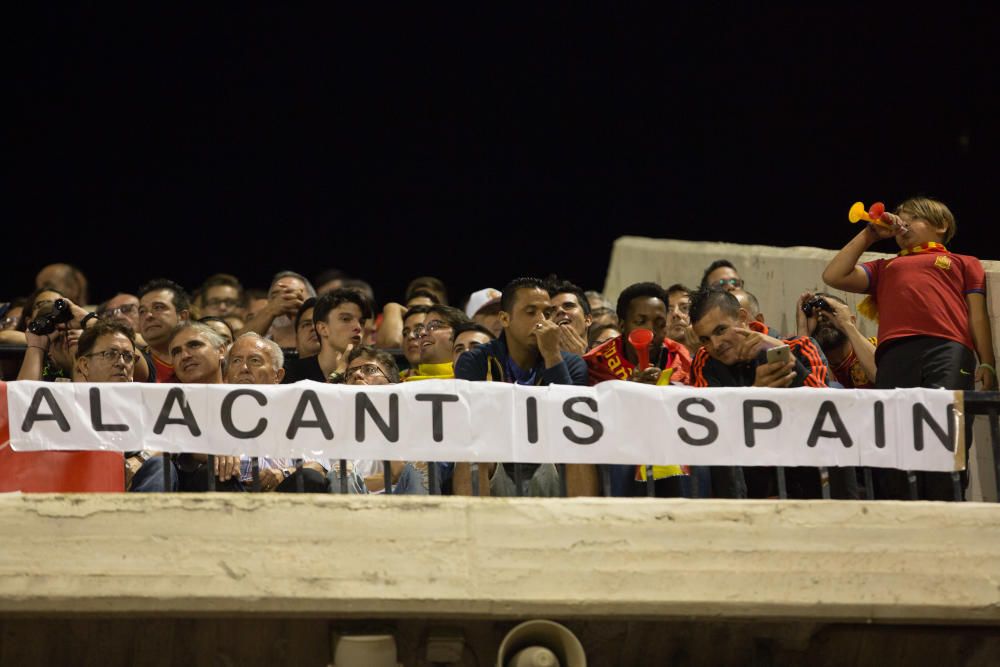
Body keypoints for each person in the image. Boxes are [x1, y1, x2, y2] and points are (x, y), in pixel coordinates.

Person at [822, 196, 995, 500]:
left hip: (947, 349)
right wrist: (870, 235)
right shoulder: (885, 266)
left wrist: (988, 363)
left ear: (941, 226)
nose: (902, 223)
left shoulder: (964, 263)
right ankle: (904, 512)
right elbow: (833, 275)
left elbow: (977, 315)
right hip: (895, 355)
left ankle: (948, 509)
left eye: (912, 218)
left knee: (945, 434)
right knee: (897, 437)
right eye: (899, 217)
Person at [689, 288, 855, 500]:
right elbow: (711, 425)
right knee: (719, 443)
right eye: (705, 339)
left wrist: (791, 365)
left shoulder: (801, 347)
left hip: (802, 463)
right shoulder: (704, 362)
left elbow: (825, 411)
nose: (715, 345)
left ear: (742, 318)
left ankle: (848, 513)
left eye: (720, 330)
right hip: (748, 470)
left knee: (836, 401)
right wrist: (753, 397)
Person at [454, 277, 594, 497]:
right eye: (531, 312)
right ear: (505, 318)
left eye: (547, 314)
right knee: (471, 453)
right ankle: (473, 525)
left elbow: (571, 423)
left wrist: (552, 355)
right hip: (498, 459)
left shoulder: (570, 363)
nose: (541, 321)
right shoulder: (475, 361)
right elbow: (475, 425)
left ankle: (583, 524)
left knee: (578, 452)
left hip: (549, 460)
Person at [583, 282, 692, 497]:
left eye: (659, 323)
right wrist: (627, 392)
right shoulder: (597, 362)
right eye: (641, 322)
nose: (651, 332)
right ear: (622, 325)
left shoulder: (682, 358)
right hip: (619, 451)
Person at [224, 332, 328, 492]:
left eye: (254, 361)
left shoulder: (299, 415)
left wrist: (284, 473)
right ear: (226, 375)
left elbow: (318, 466)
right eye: (236, 361)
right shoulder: (213, 412)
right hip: (230, 494)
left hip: (282, 494)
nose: (244, 368)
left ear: (277, 376)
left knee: (309, 478)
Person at [330, 346, 430, 495]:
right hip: (353, 501)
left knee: (419, 469)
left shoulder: (410, 417)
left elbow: (401, 472)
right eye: (350, 373)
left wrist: (380, 411)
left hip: (402, 498)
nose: (357, 374)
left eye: (369, 370)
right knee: (342, 474)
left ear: (392, 382)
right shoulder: (332, 425)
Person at [282, 288, 372, 384]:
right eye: (346, 319)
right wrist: (338, 373)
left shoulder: (373, 370)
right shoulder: (290, 372)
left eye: (361, 322)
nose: (358, 327)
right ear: (323, 329)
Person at [796, 292, 876, 389]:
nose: (822, 319)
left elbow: (881, 375)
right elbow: (821, 392)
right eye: (816, 316)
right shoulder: (807, 359)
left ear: (853, 320)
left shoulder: (877, 346)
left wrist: (847, 325)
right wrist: (804, 332)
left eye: (832, 312)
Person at [241, 271, 315, 350]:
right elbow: (236, 348)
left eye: (293, 295)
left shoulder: (323, 339)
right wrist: (270, 311)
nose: (284, 300)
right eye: (276, 296)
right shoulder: (259, 345)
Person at [137, 279, 191, 383]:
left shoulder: (202, 358)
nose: (148, 316)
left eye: (158, 307)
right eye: (142, 311)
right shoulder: (133, 361)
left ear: (183, 317)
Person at [403, 305, 469, 380]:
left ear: (460, 335)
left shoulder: (478, 378)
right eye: (420, 329)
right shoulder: (398, 381)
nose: (421, 333)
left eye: (434, 326)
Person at [546, 279, 592, 356]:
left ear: (587, 320)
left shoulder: (608, 362)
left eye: (568, 306)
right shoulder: (536, 366)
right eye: (552, 311)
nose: (560, 310)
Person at [398, 305, 431, 377]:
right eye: (405, 333)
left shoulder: (457, 377)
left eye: (419, 329)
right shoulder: (395, 381)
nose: (410, 336)